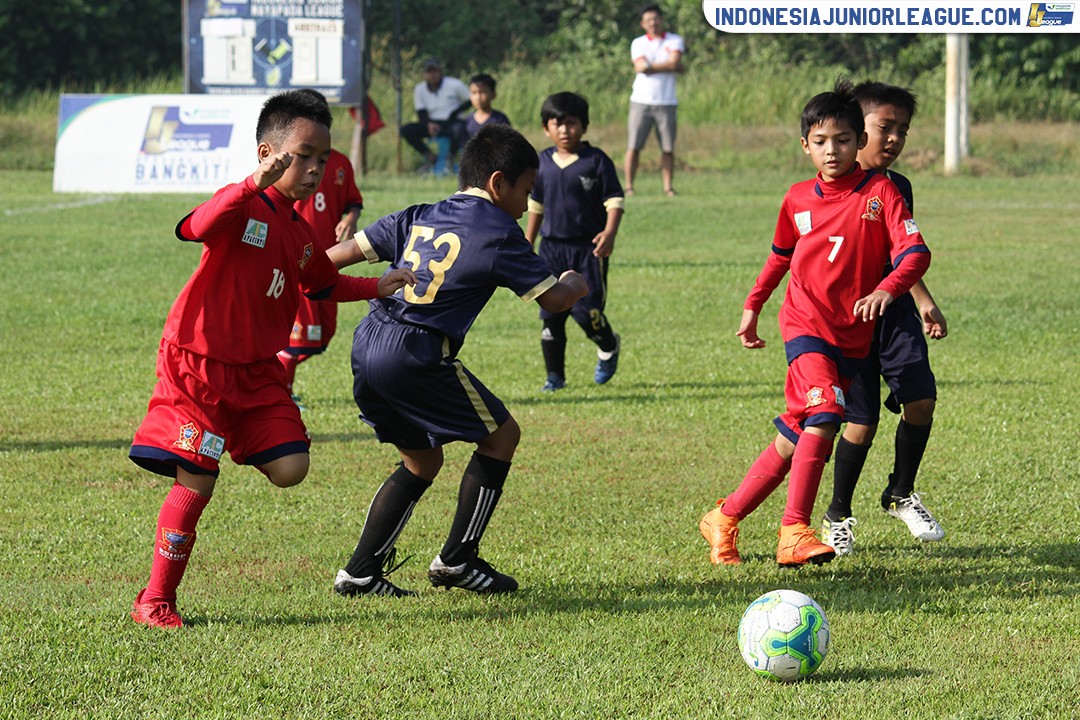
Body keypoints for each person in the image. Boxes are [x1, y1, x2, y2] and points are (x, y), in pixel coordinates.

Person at [127, 90, 416, 628]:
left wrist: (381, 283)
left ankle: (221, 441)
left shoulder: (299, 231)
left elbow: (321, 284)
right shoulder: (241, 204)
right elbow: (194, 227)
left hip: (258, 373)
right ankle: (155, 600)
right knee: (197, 482)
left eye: (322, 158)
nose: (314, 169)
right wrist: (249, 186)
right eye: (303, 155)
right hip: (199, 363)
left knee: (291, 468)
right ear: (268, 152)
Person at [324, 123, 588, 597]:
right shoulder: (500, 233)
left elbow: (333, 258)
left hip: (367, 345)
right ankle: (457, 561)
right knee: (502, 435)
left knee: (422, 461)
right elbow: (554, 301)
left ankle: (359, 572)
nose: (528, 206)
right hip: (415, 352)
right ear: (498, 183)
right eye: (526, 191)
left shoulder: (418, 213)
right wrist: (574, 280)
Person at [698, 78, 932, 567]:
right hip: (805, 325)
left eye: (843, 140)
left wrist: (888, 288)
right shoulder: (797, 197)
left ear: (858, 142)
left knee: (795, 434)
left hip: (853, 335)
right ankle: (794, 531)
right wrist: (754, 303)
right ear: (805, 145)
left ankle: (724, 516)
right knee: (826, 414)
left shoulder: (882, 192)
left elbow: (915, 252)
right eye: (821, 142)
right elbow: (780, 255)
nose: (832, 151)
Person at [820, 81, 947, 555]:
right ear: (855, 129)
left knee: (921, 399)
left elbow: (902, 251)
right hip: (847, 321)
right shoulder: (830, 188)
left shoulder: (899, 187)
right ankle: (837, 513)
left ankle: (900, 492)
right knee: (861, 423)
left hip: (893, 314)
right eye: (884, 128)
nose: (893, 139)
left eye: (903, 131)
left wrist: (923, 299)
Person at [525, 92, 625, 392]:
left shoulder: (596, 161)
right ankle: (554, 377)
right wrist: (527, 241)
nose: (565, 130)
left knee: (587, 312)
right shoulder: (541, 162)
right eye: (557, 124)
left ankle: (608, 344)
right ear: (546, 128)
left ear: (584, 126)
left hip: (588, 249)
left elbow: (615, 201)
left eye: (571, 123)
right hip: (551, 249)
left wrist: (609, 233)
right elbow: (536, 206)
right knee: (550, 313)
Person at [277, 89, 366, 407]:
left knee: (322, 335)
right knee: (302, 336)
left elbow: (353, 201)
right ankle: (280, 391)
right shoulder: (287, 161)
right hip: (297, 258)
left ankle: (278, 384)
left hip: (329, 259)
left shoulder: (339, 163)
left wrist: (350, 218)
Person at [624, 4, 685, 197]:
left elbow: (674, 62)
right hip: (641, 100)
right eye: (649, 20)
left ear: (662, 20)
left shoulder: (675, 40)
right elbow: (642, 67)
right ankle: (629, 186)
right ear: (643, 24)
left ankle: (668, 187)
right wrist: (668, 65)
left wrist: (653, 66)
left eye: (656, 18)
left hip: (666, 102)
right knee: (634, 146)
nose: (653, 23)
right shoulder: (638, 43)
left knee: (667, 147)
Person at [400, 57, 471, 172]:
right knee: (406, 130)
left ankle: (450, 157)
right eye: (429, 72)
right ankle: (429, 156)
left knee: (459, 128)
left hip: (451, 121)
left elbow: (470, 100)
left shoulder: (454, 84)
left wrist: (455, 112)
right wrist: (428, 124)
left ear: (440, 72)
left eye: (435, 71)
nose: (432, 75)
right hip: (432, 123)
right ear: (424, 74)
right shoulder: (420, 89)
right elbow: (421, 111)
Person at [464, 73, 511, 141]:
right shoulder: (467, 121)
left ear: (493, 94)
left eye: (483, 92)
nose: (478, 97)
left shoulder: (500, 119)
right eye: (474, 93)